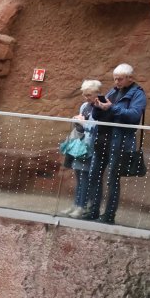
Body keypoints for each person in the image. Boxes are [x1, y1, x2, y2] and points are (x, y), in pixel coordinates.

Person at [81, 63, 148, 224]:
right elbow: (98, 115)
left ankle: (109, 215)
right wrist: (97, 107)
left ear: (130, 78)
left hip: (120, 142)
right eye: (115, 79)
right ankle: (93, 210)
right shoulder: (113, 91)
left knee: (112, 179)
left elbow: (134, 116)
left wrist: (111, 108)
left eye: (120, 79)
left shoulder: (138, 94)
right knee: (94, 175)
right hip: (102, 140)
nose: (116, 82)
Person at [64, 79, 103, 217]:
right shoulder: (84, 106)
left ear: (97, 93)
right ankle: (76, 204)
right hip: (79, 144)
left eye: (89, 95)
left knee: (86, 176)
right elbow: (82, 125)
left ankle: (82, 206)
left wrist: (83, 123)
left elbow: (96, 127)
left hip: (90, 146)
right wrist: (78, 121)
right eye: (84, 94)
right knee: (79, 176)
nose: (86, 98)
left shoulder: (100, 107)